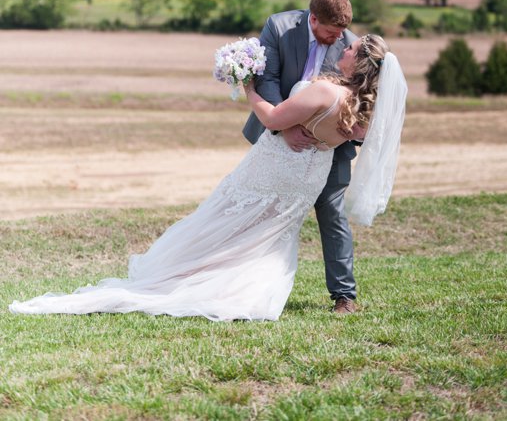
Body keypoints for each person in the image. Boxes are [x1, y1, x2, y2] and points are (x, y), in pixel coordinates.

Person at [9, 33, 406, 321]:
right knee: (265, 235)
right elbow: (344, 138)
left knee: (225, 217)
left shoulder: (325, 92)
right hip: (307, 178)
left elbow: (271, 117)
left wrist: (247, 84)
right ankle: (247, 288)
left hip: (277, 165)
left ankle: (190, 278)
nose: (346, 47)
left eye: (352, 48)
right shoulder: (361, 110)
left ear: (361, 62)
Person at [243, 0, 362, 314]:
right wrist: (284, 126)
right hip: (279, 138)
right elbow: (267, 79)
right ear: (312, 19)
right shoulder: (279, 27)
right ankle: (247, 284)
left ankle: (344, 295)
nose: (336, 39)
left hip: (330, 148)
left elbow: (360, 94)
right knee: (263, 211)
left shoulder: (353, 45)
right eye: (329, 32)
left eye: (340, 33)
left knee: (333, 212)